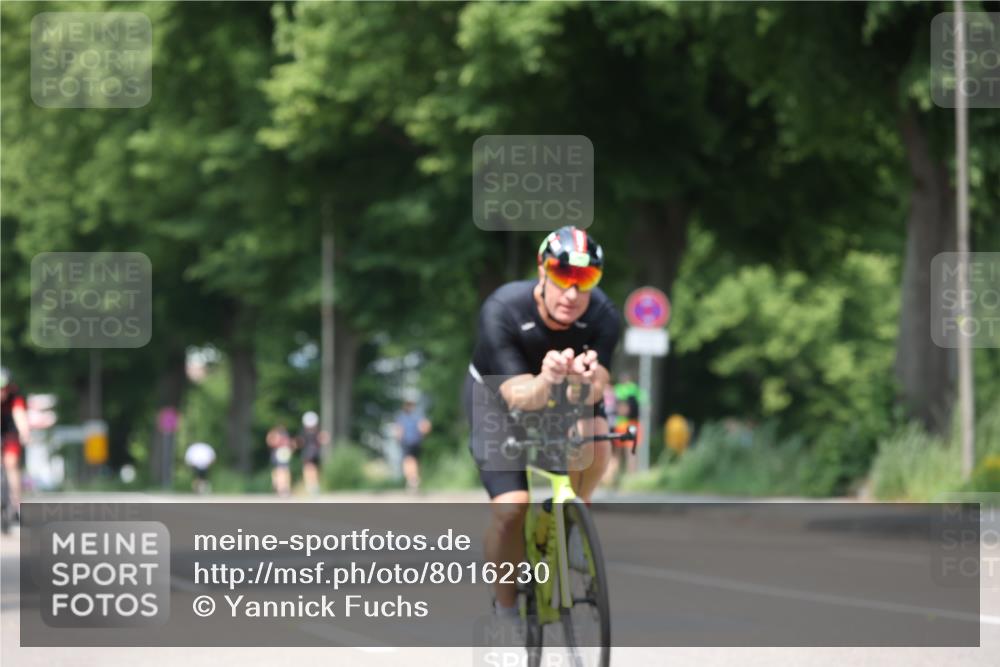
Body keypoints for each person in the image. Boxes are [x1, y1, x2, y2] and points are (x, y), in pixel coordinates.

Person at [463, 225, 620, 624]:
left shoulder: (603, 315)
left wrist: (586, 381)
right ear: (542, 270)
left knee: (598, 438)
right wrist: (548, 378)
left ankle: (576, 517)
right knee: (513, 509)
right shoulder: (503, 310)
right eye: (563, 276)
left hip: (557, 392)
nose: (572, 293)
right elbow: (518, 397)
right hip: (499, 398)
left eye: (585, 280)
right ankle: (505, 609)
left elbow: (599, 385)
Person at [1, 368, 30, 521]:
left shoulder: (15, 396)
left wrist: (25, 433)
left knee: (11, 463)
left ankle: (16, 504)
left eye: (4, 390)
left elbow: (19, 415)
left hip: (10, 429)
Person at [393, 396, 431, 492]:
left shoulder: (402, 417)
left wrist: (398, 440)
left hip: (407, 442)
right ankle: (413, 479)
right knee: (415, 461)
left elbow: (399, 430)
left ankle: (412, 479)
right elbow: (425, 427)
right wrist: (422, 435)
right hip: (417, 442)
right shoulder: (418, 416)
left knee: (408, 461)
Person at [297, 411, 328, 495]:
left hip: (311, 452)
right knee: (310, 469)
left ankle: (312, 486)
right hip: (311, 452)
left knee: (310, 469)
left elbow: (323, 439)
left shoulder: (312, 431)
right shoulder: (310, 431)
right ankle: (312, 486)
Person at [266, 424, 293, 497]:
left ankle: (282, 487)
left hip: (282, 454)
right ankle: (281, 487)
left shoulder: (281, 435)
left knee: (282, 471)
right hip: (279, 453)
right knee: (281, 471)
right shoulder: (277, 434)